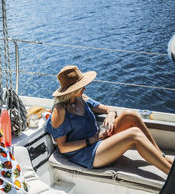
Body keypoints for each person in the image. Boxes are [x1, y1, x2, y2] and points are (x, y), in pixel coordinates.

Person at [45, 65, 173, 174]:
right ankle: (170, 173)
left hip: (98, 138)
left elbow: (108, 109)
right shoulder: (60, 111)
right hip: (87, 153)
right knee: (134, 135)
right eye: (81, 86)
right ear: (71, 90)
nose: (85, 88)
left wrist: (111, 114)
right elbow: (63, 148)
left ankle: (162, 156)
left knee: (130, 115)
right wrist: (93, 139)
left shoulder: (81, 97)